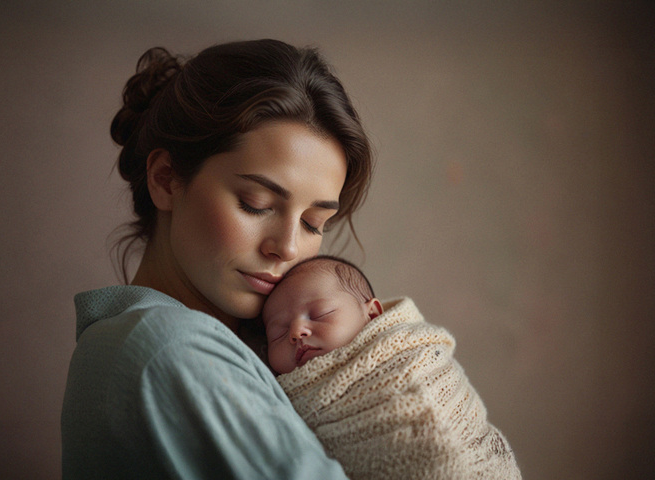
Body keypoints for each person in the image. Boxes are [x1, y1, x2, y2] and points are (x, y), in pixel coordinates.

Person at [61, 39, 373, 479]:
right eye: (256, 203)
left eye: (313, 223)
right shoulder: (169, 348)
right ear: (166, 179)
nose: (286, 248)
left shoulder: (147, 341)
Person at [263, 255, 522, 480]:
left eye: (319, 314)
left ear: (373, 314)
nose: (296, 332)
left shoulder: (407, 352)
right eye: (279, 332)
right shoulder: (273, 393)